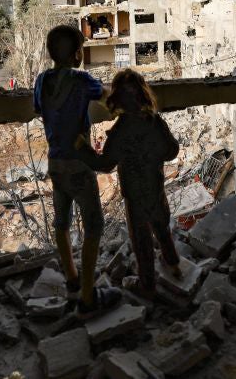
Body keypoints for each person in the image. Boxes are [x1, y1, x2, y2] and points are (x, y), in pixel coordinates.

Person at [34, 24, 121, 316]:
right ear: (76, 55)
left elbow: (39, 109)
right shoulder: (83, 81)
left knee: (62, 222)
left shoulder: (41, 81)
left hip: (55, 164)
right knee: (93, 225)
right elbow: (108, 97)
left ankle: (72, 279)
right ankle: (87, 297)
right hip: (79, 165)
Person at [103, 69, 183, 297]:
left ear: (116, 98)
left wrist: (81, 150)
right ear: (143, 94)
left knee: (141, 240)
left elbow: (106, 164)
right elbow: (171, 150)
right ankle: (174, 265)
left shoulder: (119, 131)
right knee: (161, 228)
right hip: (155, 188)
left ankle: (147, 284)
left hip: (134, 195)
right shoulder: (154, 122)